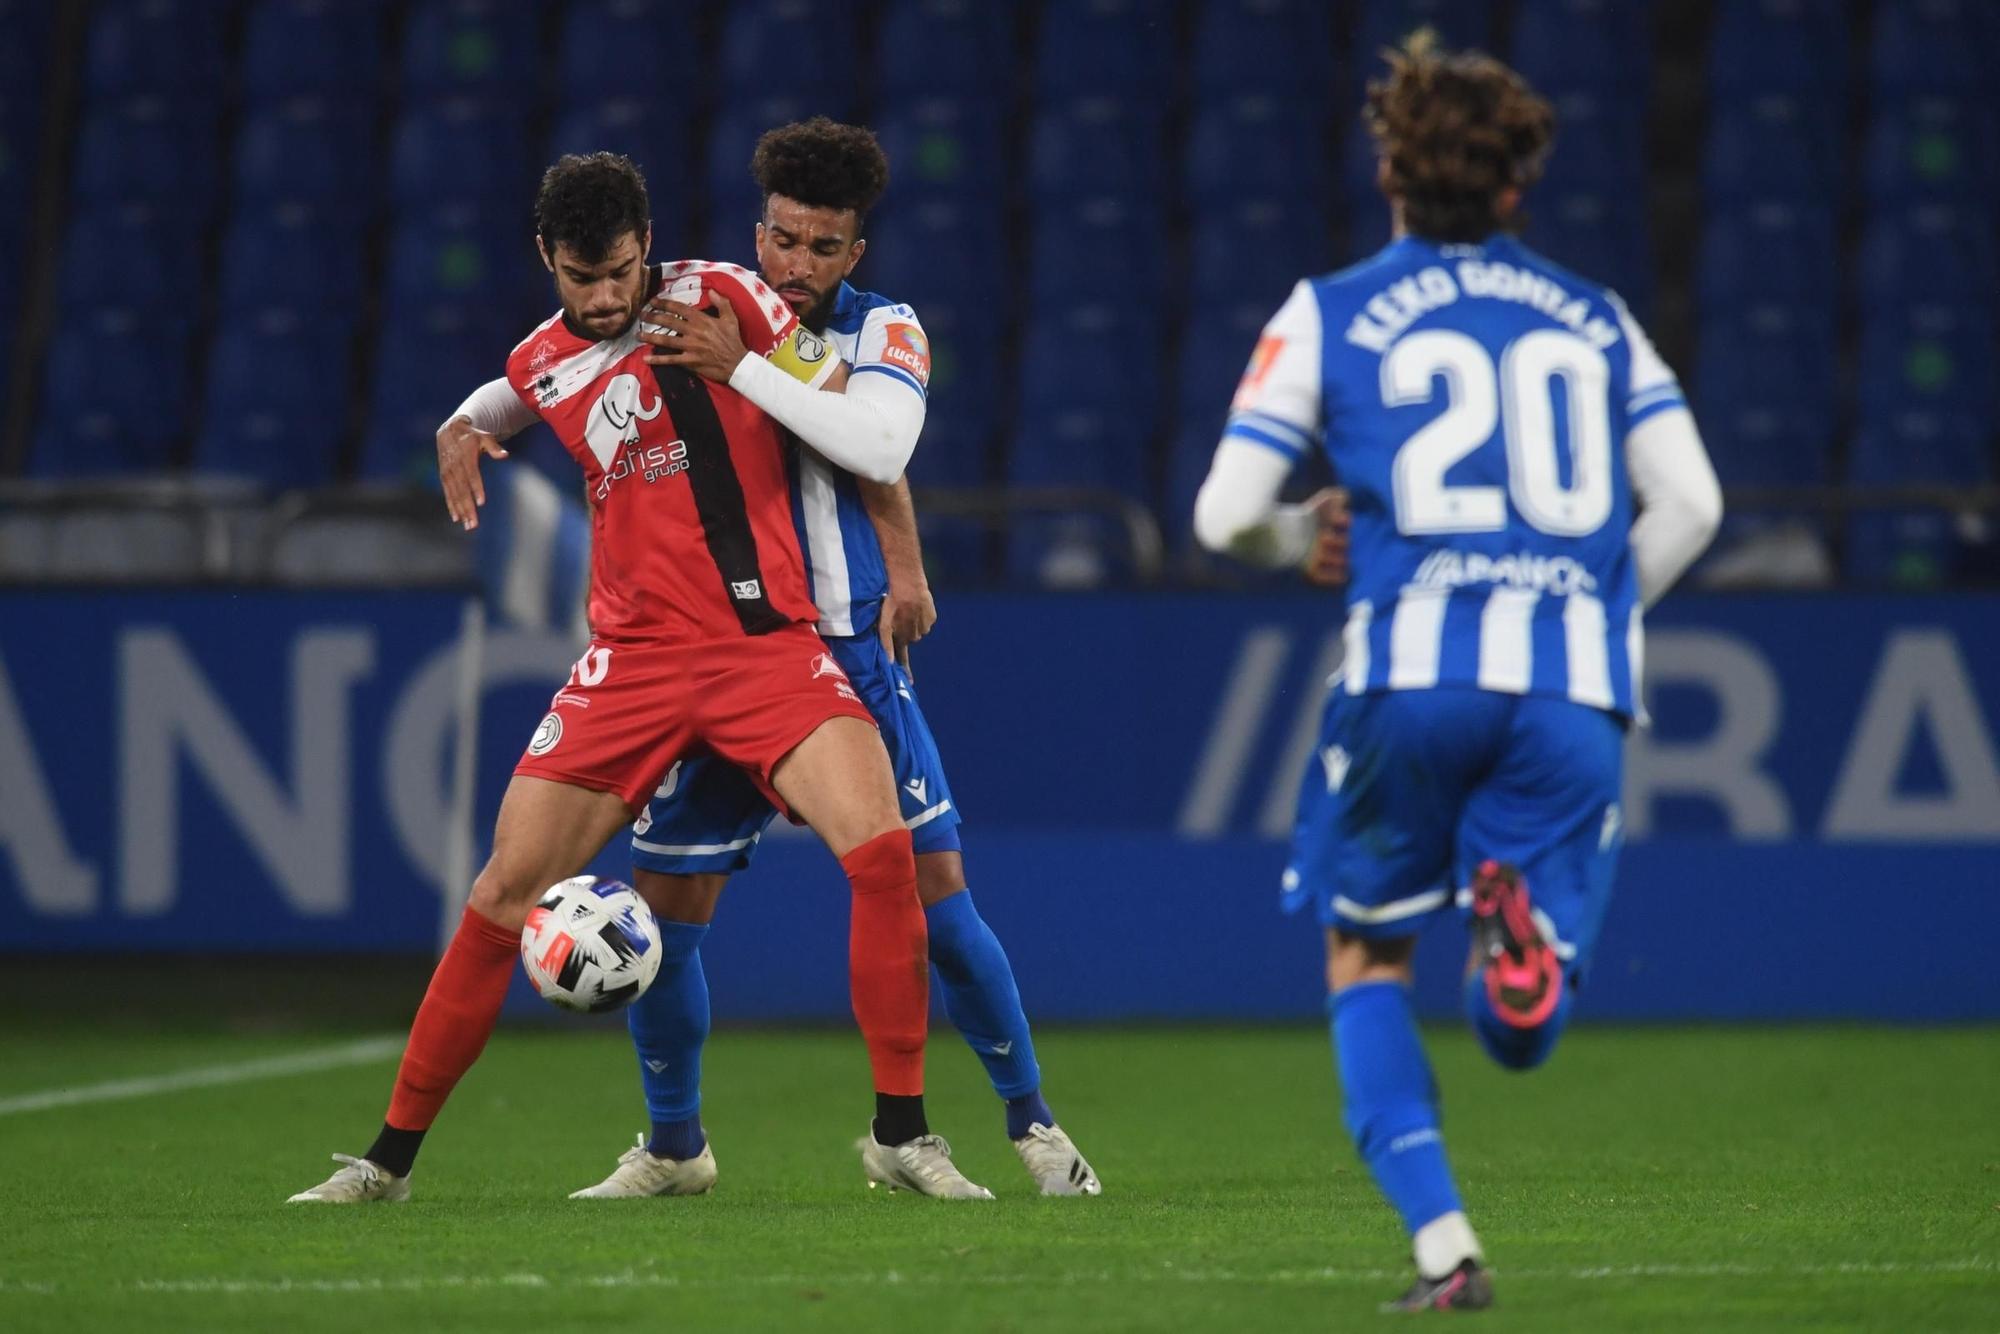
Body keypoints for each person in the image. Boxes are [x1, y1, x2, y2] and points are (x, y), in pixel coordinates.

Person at [290, 151, 990, 1204]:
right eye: (583, 277)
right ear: (548, 261)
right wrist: (466, 422)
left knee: (881, 853)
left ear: (646, 244)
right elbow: (519, 386)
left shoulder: (727, 296)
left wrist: (752, 371)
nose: (609, 296)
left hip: (766, 646)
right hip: (632, 666)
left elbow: (861, 427)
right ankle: (384, 1162)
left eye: (622, 268)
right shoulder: (538, 363)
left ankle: (902, 1134)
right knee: (497, 895)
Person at [436, 119, 1097, 1200]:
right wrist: (467, 415)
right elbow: (563, 354)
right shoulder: (717, 298)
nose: (796, 265)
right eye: (781, 241)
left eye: (822, 248)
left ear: (856, 256)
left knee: (937, 902)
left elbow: (877, 451)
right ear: (758, 235)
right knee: (662, 914)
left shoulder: (879, 332)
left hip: (843, 653)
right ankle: (670, 1144)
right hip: (722, 647)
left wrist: (904, 565)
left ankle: (1027, 1120)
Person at [1192, 33, 1722, 1311]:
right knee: (1518, 1033)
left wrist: (1295, 533)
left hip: (1407, 676)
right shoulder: (1596, 316)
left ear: (1387, 169)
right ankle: (1518, 946)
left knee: (1365, 960)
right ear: (1512, 188)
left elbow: (1220, 517)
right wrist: (1586, 612)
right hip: (1568, 690)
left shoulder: (1324, 309)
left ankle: (1444, 1247)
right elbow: (1693, 503)